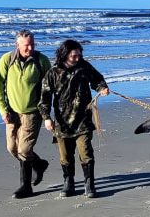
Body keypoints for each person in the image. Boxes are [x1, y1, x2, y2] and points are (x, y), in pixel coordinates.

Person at [39, 39, 109, 198]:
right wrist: (46, 118)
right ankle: (68, 182)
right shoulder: (53, 73)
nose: (78, 58)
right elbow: (44, 97)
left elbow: (97, 79)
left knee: (86, 152)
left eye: (79, 55)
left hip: (83, 120)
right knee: (65, 156)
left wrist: (102, 87)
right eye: (74, 55)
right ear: (65, 54)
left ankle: (89, 184)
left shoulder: (84, 67)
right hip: (62, 123)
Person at [0, 29, 51, 199]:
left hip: (32, 113)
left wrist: (46, 113)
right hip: (12, 113)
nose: (30, 48)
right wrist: (3, 110)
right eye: (26, 45)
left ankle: (26, 186)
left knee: (24, 150)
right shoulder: (7, 60)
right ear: (17, 45)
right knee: (12, 148)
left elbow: (48, 89)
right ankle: (39, 164)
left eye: (32, 44)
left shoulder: (41, 61)